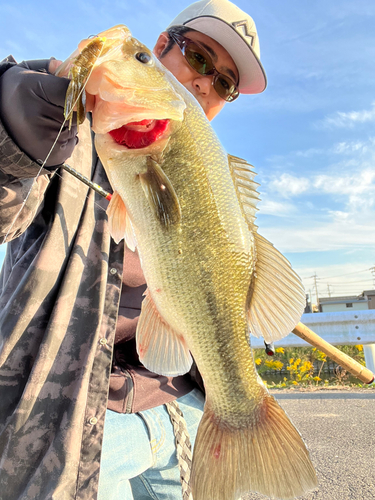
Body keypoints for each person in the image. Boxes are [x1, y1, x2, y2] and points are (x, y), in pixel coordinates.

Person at [0, 0, 266, 499]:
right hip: (80, 425)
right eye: (201, 59)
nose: (208, 84)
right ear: (162, 46)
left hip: (184, 406)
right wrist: (7, 128)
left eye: (226, 84)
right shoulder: (60, 136)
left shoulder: (212, 182)